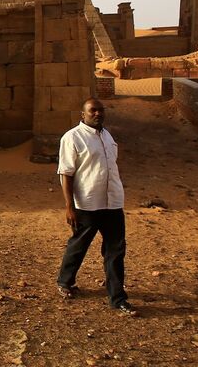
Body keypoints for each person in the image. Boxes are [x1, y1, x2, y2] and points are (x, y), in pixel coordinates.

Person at [55, 97, 136, 316]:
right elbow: (66, 173)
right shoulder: (73, 138)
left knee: (116, 251)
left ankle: (117, 297)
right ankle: (65, 281)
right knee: (79, 245)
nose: (98, 114)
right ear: (83, 114)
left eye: (101, 110)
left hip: (113, 203)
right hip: (88, 203)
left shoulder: (107, 136)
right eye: (93, 111)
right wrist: (69, 207)